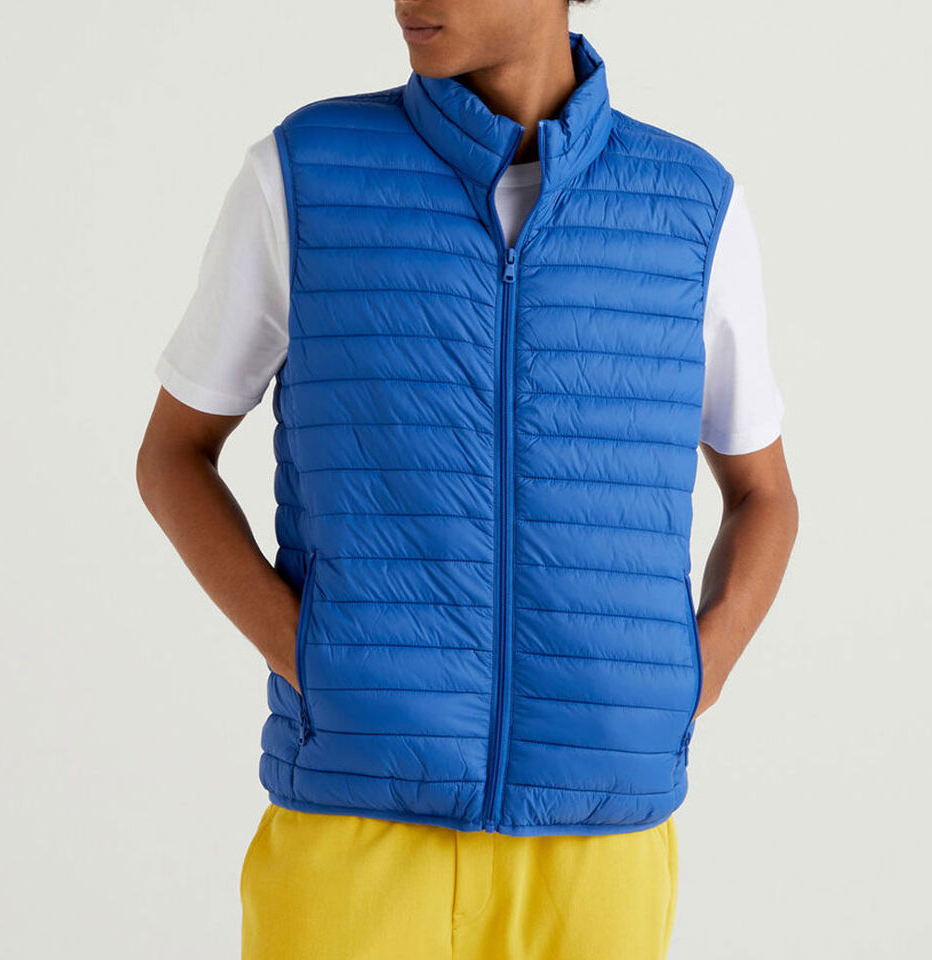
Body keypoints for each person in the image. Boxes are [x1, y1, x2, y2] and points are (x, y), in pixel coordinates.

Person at [136, 2, 799, 957]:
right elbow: (173, 453)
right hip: (354, 825)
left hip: (600, 842)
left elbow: (764, 492)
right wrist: (310, 655)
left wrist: (691, 677)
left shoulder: (691, 208)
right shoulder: (307, 174)